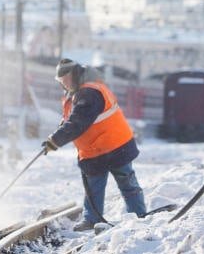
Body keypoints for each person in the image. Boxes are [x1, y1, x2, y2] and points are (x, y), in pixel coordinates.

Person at [42, 58, 146, 231]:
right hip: (95, 151)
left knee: (127, 183)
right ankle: (91, 219)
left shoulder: (90, 92)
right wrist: (55, 138)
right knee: (93, 188)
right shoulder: (75, 94)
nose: (65, 84)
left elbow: (78, 122)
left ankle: (139, 217)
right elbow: (69, 121)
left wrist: (55, 140)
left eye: (67, 78)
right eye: (61, 81)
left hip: (115, 146)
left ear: (76, 74)